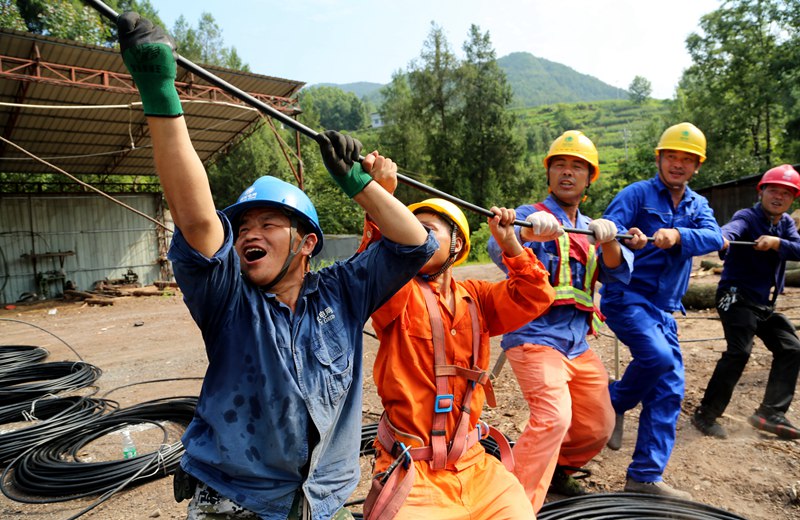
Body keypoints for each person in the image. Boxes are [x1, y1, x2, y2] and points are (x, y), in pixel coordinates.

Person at [116, 12, 436, 520]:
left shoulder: (341, 293)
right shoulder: (228, 298)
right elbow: (199, 220)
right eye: (243, 228)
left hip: (320, 500)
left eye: (269, 224)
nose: (249, 235)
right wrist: (159, 90)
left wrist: (360, 185)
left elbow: (417, 243)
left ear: (307, 243)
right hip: (235, 503)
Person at [357, 167, 556, 519]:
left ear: (457, 245)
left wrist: (511, 242)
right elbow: (369, 272)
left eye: (427, 231)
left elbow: (535, 295)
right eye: (409, 229)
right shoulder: (397, 290)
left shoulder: (476, 298)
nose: (414, 238)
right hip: (411, 469)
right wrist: (380, 200)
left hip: (475, 466)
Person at [487, 131, 634, 512]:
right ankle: (511, 506)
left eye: (577, 167)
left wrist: (610, 241)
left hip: (578, 343)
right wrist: (524, 230)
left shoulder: (591, 228)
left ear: (589, 179)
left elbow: (618, 274)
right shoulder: (530, 213)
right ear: (549, 173)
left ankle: (556, 468)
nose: (567, 173)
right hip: (534, 336)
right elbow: (499, 245)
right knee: (553, 417)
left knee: (598, 425)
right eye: (560, 166)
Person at [600, 122, 724, 499]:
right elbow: (608, 231)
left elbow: (716, 236)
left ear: (697, 167)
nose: (678, 165)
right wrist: (628, 239)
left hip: (665, 309)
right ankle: (615, 399)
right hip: (627, 297)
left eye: (688, 160)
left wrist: (679, 236)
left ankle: (644, 477)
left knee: (669, 389)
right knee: (656, 358)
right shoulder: (637, 194)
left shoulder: (696, 204)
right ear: (659, 158)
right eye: (672, 156)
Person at [693, 164, 800, 440]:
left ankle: (770, 412)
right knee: (740, 351)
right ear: (761, 191)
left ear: (793, 199)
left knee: (790, 347)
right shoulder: (748, 216)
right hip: (735, 297)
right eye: (773, 190)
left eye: (786, 194)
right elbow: (732, 229)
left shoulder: (786, 224)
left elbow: (798, 249)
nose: (778, 197)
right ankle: (706, 414)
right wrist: (724, 239)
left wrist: (777, 243)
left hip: (763, 304)